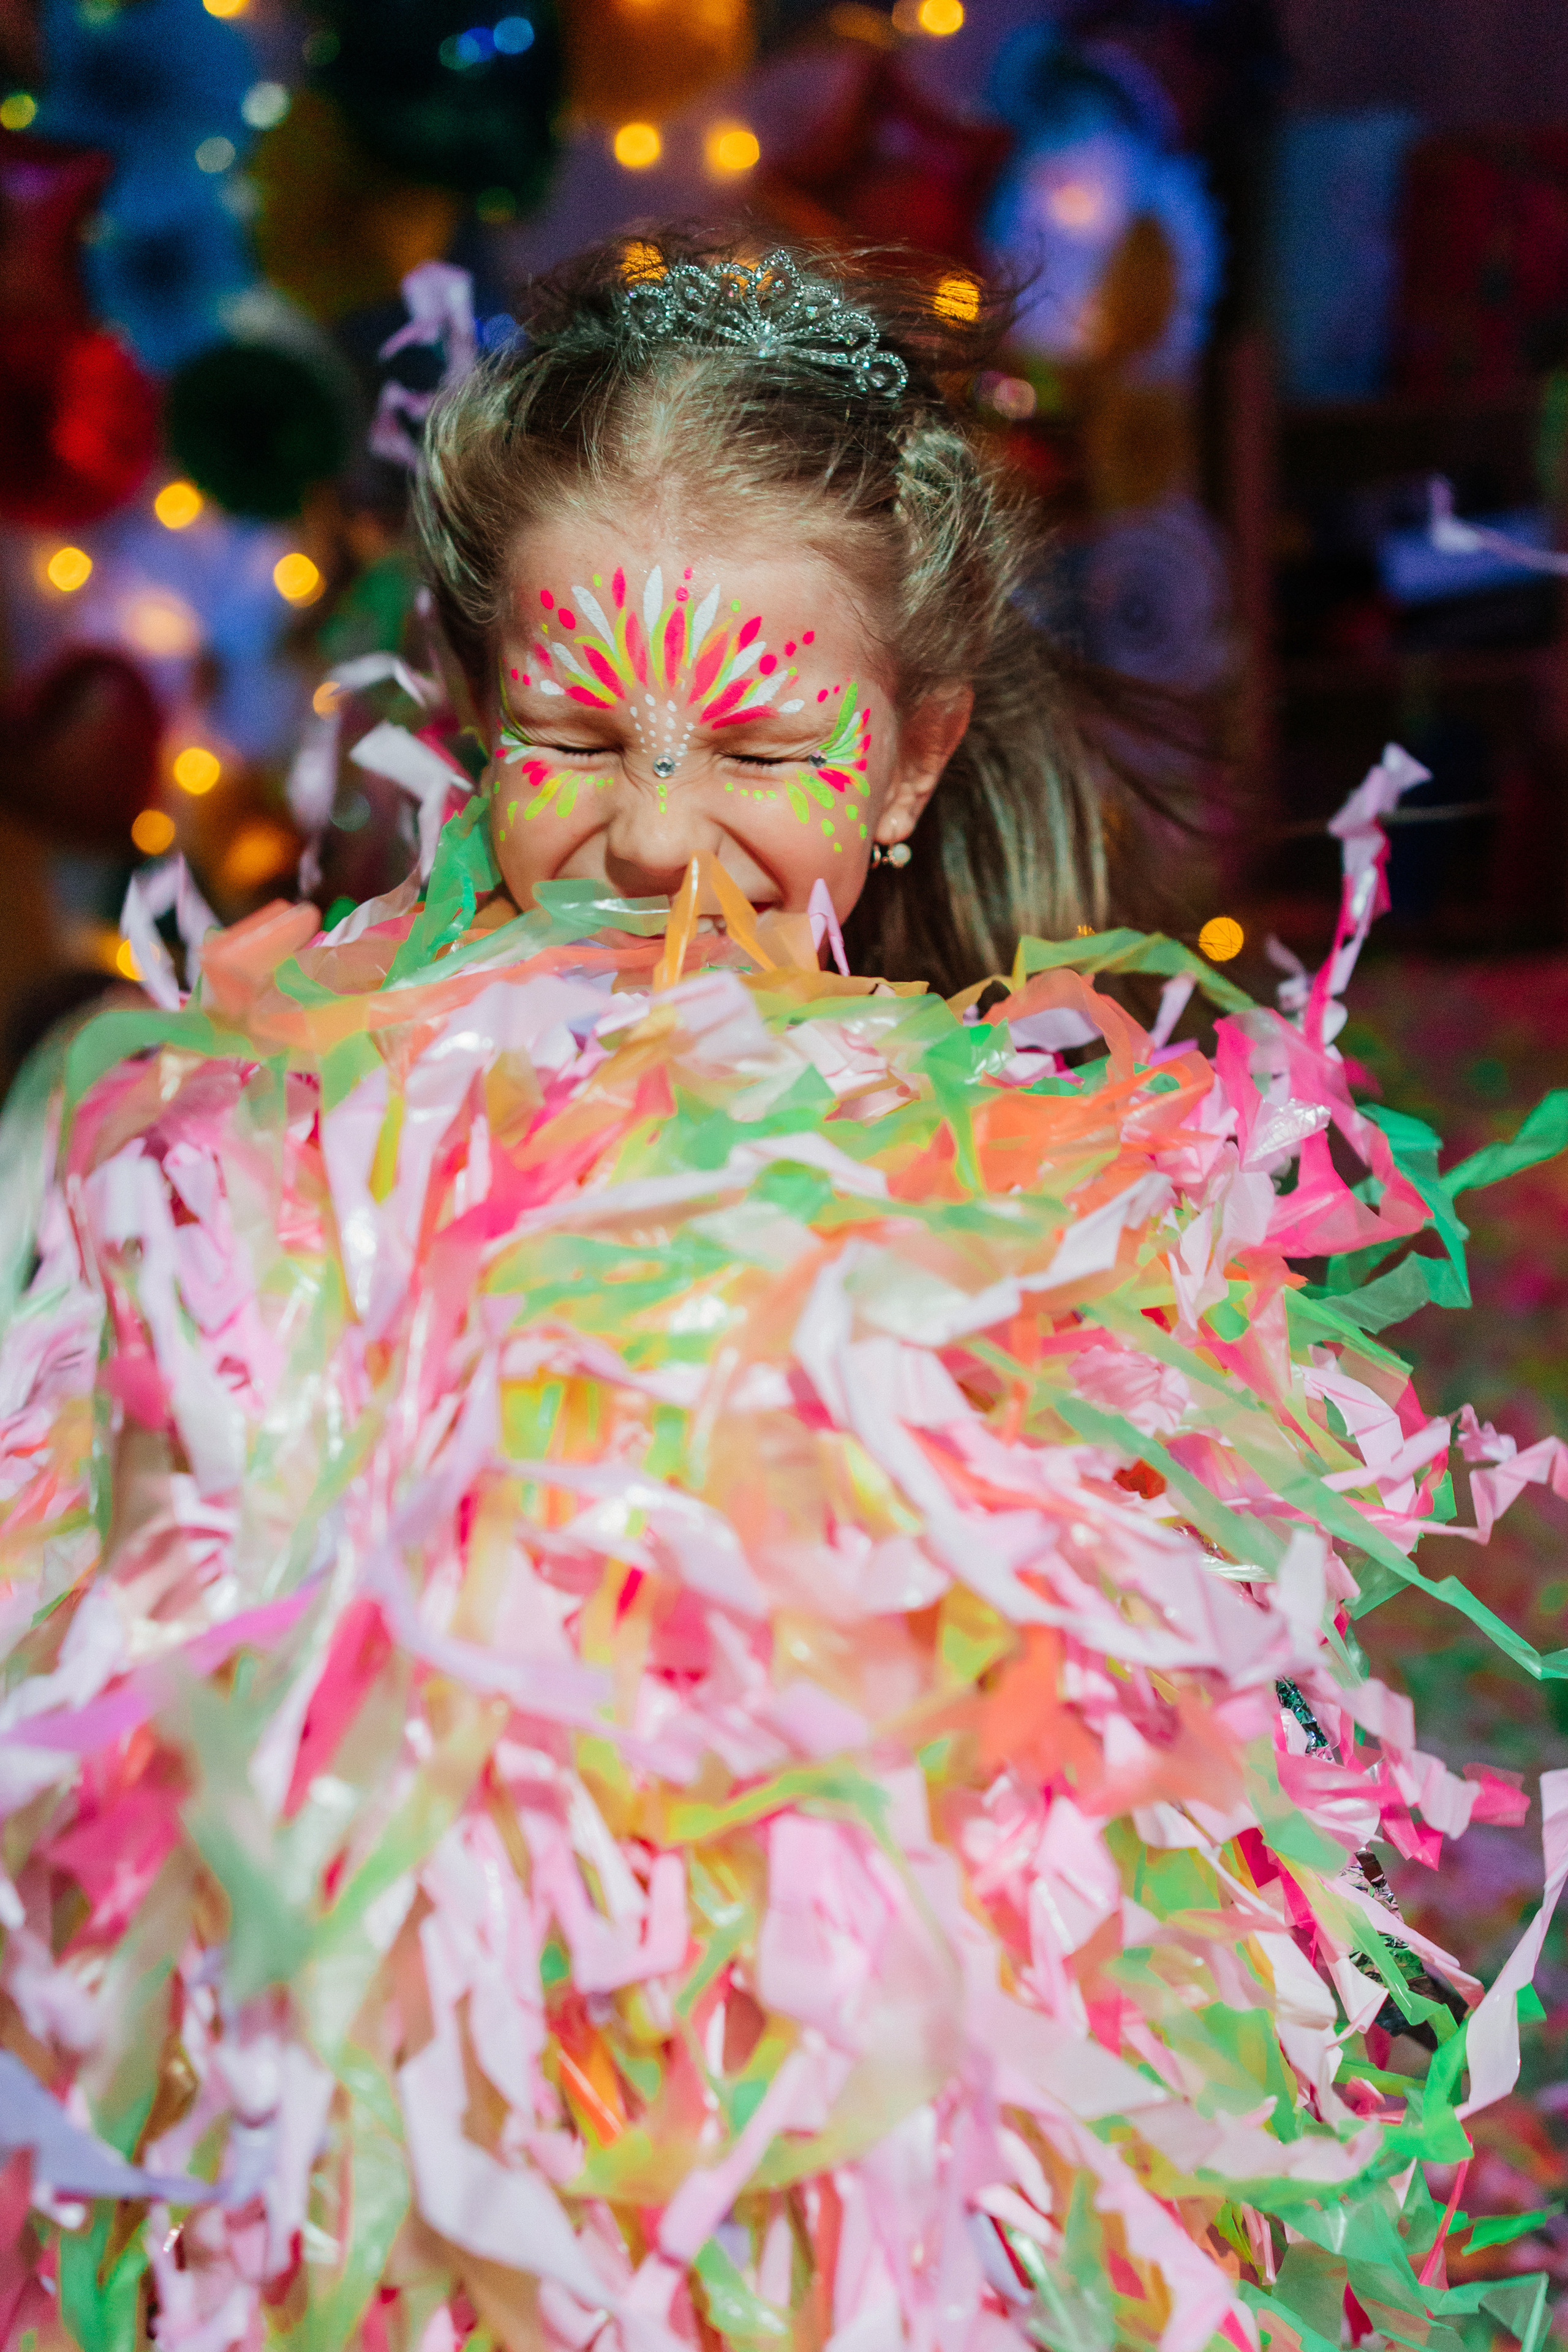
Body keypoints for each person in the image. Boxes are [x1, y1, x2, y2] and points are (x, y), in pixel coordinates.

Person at [1, 233, 1565, 2352]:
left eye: (757, 749)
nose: (657, 835)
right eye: (575, 732)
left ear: (912, 764)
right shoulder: (308, 1146)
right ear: (465, 719)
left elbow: (1121, 1774)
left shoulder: (1019, 1221)